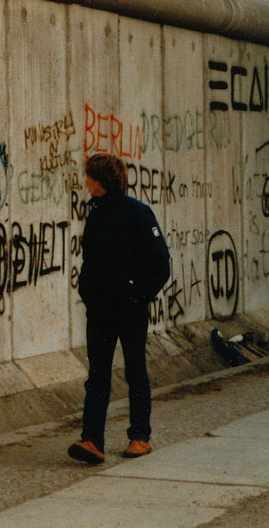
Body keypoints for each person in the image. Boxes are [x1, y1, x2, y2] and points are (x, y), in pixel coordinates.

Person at [67, 153, 171, 465]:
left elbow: (160, 263)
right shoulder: (96, 211)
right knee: (97, 374)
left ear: (99, 179)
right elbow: (92, 261)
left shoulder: (138, 213)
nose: (84, 180)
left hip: (130, 308)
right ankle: (92, 441)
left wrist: (138, 295)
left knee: (135, 370)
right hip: (100, 308)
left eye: (88, 175)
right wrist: (88, 292)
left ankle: (140, 437)